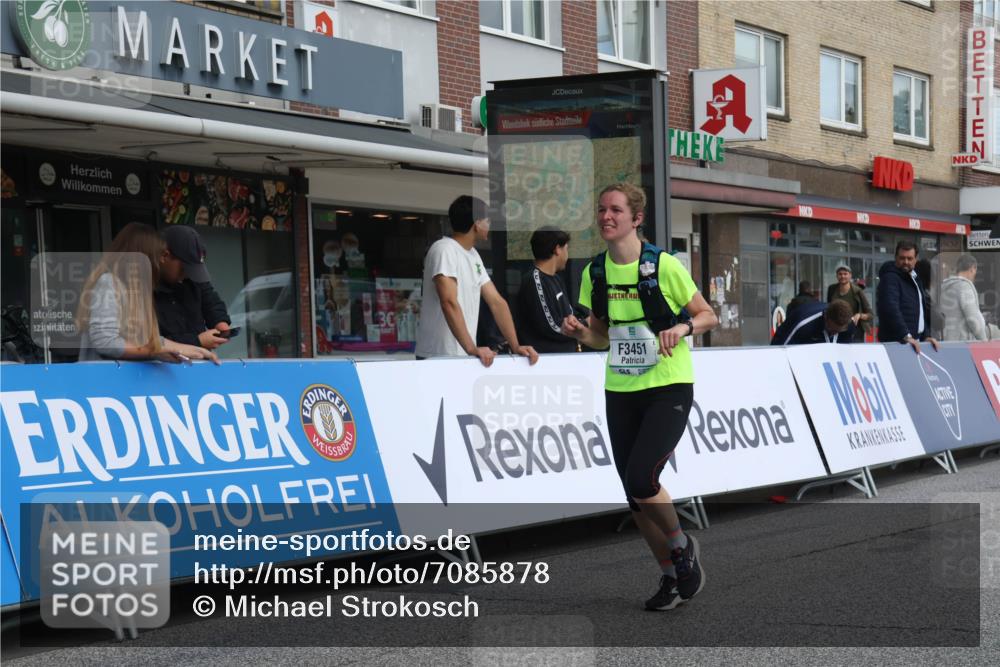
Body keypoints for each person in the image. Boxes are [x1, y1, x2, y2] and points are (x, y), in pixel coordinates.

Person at [561, 183, 718, 611]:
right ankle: (671, 575)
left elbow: (708, 314)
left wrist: (682, 328)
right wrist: (579, 333)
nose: (605, 216)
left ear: (636, 218)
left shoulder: (664, 265)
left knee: (642, 480)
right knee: (635, 499)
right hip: (621, 389)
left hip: (668, 386)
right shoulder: (594, 273)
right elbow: (600, 337)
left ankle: (681, 545)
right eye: (601, 210)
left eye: (615, 210)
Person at [414, 195, 538, 367]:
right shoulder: (444, 249)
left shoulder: (473, 255)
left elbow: (497, 302)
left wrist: (515, 346)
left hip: (463, 355)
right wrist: (472, 348)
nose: (490, 225)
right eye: (488, 220)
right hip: (438, 355)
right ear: (477, 223)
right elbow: (449, 302)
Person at [76, 223, 218, 364]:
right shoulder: (109, 282)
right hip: (103, 382)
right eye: (157, 257)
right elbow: (105, 341)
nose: (159, 263)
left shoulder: (137, 290)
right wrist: (155, 352)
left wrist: (194, 350)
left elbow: (150, 341)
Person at [155, 225, 232, 350]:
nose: (187, 275)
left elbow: (211, 301)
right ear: (164, 256)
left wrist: (220, 322)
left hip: (199, 363)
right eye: (184, 269)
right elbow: (152, 342)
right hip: (161, 365)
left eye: (194, 270)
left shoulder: (194, 279)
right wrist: (197, 341)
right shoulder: (143, 289)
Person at [514, 228, 578, 353]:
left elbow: (568, 313)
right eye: (566, 249)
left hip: (565, 357)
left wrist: (580, 323)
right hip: (544, 360)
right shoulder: (534, 280)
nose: (567, 255)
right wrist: (581, 330)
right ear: (557, 249)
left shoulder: (556, 278)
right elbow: (551, 326)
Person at [876, 240, 939, 354]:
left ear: (916, 259)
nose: (905, 262)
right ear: (895, 257)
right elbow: (890, 308)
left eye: (909, 258)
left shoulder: (914, 278)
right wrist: (905, 335)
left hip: (913, 343)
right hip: (898, 344)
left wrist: (926, 336)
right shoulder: (890, 278)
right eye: (902, 258)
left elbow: (921, 310)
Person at [940, 254, 988, 341]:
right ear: (973, 269)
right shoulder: (964, 287)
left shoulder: (944, 287)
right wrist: (984, 340)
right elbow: (973, 319)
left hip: (945, 341)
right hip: (962, 344)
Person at [770, 300, 855, 346]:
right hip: (790, 339)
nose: (834, 334)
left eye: (839, 331)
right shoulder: (804, 324)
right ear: (826, 317)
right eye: (832, 330)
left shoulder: (848, 324)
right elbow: (781, 349)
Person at [826, 264, 873, 342]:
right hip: (836, 330)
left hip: (855, 331)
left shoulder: (858, 291)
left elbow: (870, 314)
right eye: (840, 274)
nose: (842, 276)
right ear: (837, 276)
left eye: (845, 274)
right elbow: (828, 307)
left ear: (850, 275)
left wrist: (859, 315)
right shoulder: (832, 289)